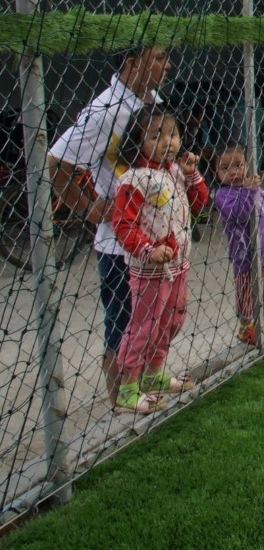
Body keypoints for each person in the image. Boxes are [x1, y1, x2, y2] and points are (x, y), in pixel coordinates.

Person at [47, 45, 172, 406]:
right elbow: (56, 163)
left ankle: (142, 393)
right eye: (160, 57)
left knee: (153, 320)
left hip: (154, 239)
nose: (168, 64)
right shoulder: (105, 110)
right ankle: (119, 404)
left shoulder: (150, 99)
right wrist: (88, 208)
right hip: (121, 246)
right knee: (123, 324)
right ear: (133, 63)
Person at [110, 105, 209, 415]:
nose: (168, 142)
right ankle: (127, 388)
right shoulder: (134, 180)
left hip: (178, 265)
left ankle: (154, 374)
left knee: (172, 320)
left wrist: (193, 175)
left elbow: (200, 203)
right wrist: (148, 249)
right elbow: (123, 225)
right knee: (145, 326)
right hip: (151, 271)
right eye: (157, 136)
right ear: (137, 141)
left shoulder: (176, 171)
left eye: (173, 134)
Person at [211, 144, 264, 345]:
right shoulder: (223, 196)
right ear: (217, 173)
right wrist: (249, 190)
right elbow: (241, 212)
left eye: (239, 165)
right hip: (245, 255)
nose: (234, 172)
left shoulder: (251, 189)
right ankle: (246, 328)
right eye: (225, 168)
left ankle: (263, 320)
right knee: (247, 293)